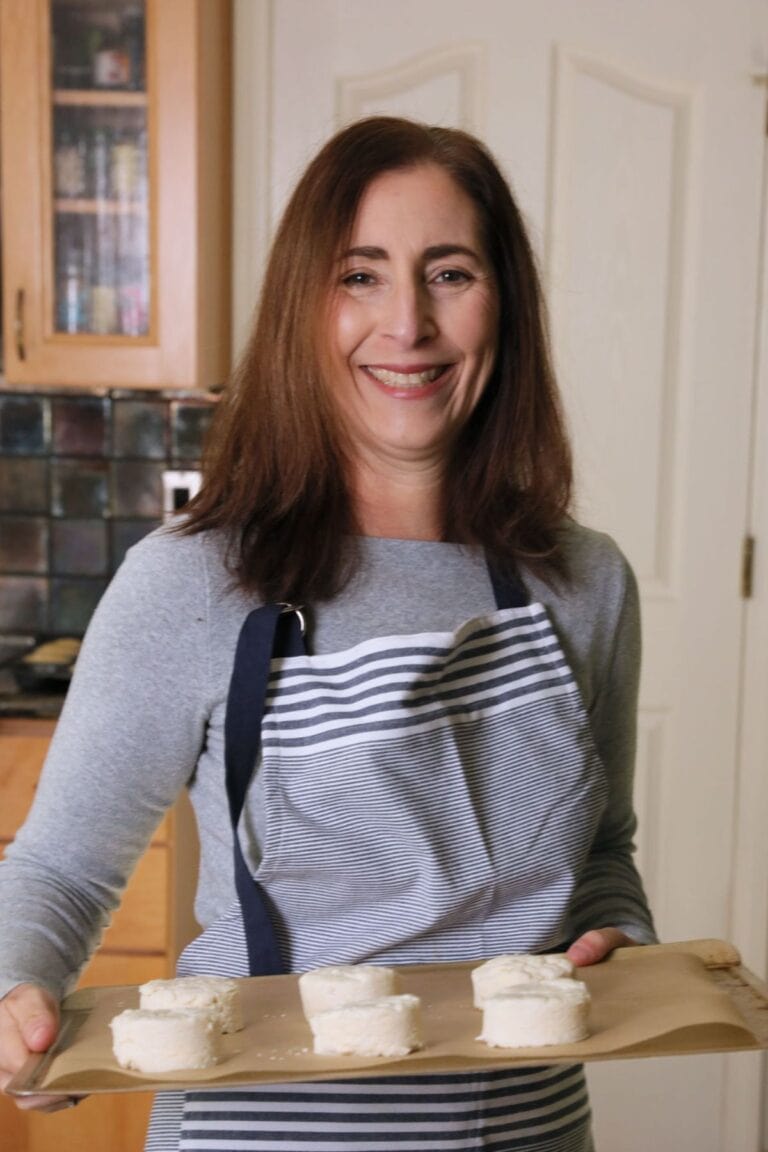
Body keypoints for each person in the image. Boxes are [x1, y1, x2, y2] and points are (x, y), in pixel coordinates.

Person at [0, 115, 656, 1152]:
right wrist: (19, 990)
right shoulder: (192, 581)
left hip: (531, 1131)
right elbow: (64, 870)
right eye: (361, 276)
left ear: (505, 306)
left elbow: (605, 854)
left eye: (449, 273)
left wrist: (625, 939)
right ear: (305, 305)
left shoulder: (584, 584)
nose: (408, 325)